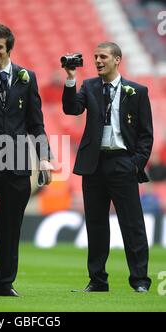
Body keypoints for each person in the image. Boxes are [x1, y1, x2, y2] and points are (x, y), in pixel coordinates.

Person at [62, 42, 153, 293]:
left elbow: (146, 135)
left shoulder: (137, 91)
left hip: (122, 163)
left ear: (117, 60)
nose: (98, 61)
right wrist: (71, 79)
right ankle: (98, 281)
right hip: (94, 164)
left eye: (103, 57)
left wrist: (135, 164)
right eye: (95, 57)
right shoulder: (89, 86)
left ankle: (140, 281)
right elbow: (72, 109)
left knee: (132, 224)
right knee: (95, 224)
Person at [0, 23, 53, 297]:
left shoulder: (26, 77)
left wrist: (44, 158)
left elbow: (36, 124)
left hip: (18, 163)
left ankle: (5, 283)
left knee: (11, 227)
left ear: (9, 48)